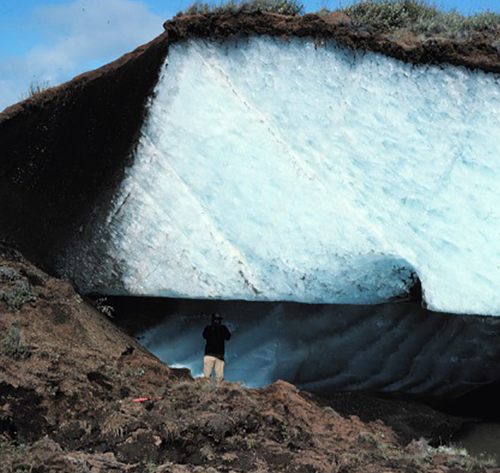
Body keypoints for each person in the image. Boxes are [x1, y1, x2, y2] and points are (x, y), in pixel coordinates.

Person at [202, 313, 231, 381]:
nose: (217, 321)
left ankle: (206, 389)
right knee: (218, 377)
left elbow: (204, 336)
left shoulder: (208, 328)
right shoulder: (222, 328)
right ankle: (218, 389)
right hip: (218, 355)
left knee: (207, 376)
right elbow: (228, 337)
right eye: (216, 320)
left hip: (210, 354)